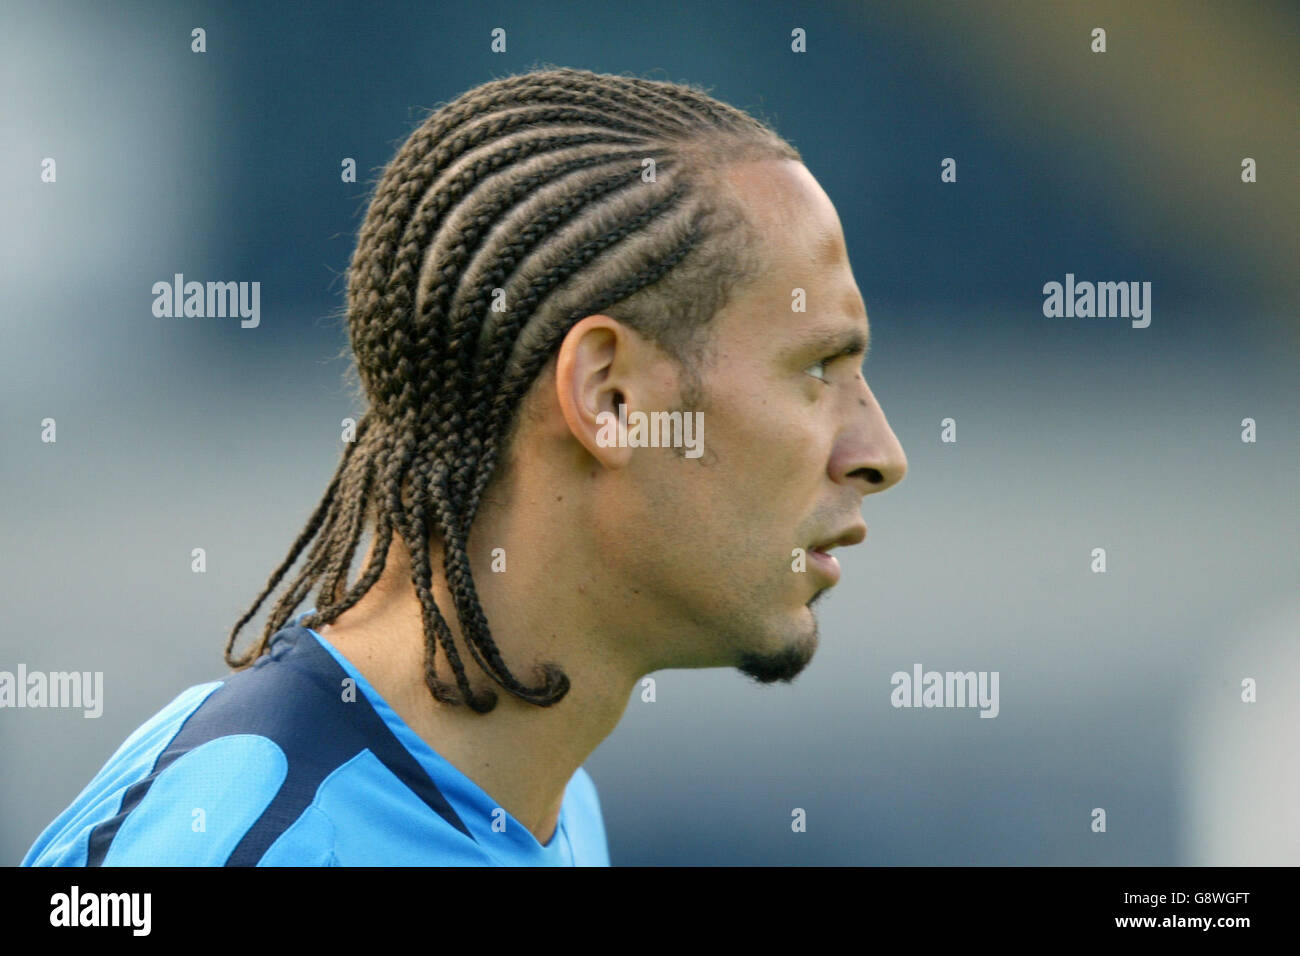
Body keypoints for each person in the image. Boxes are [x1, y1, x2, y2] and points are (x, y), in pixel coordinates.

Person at [23, 65, 906, 867]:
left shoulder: (546, 808)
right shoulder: (248, 845)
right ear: (610, 397)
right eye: (818, 371)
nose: (881, 455)